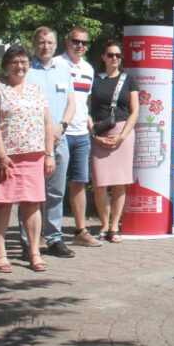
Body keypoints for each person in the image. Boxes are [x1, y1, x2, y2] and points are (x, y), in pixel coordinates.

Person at [0, 45, 54, 273]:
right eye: (15, 62)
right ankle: (0, 254)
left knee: (33, 205)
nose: (20, 66)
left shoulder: (36, 90)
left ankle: (34, 253)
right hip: (8, 158)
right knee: (3, 204)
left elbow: (47, 123)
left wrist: (49, 154)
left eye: (23, 62)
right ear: (6, 66)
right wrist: (1, 155)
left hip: (34, 156)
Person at [25, 27, 77, 259]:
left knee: (56, 192)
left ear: (56, 44)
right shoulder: (25, 69)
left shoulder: (64, 69)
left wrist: (61, 126)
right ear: (34, 44)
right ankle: (28, 242)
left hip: (59, 139)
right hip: (33, 141)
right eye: (41, 42)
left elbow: (72, 102)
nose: (46, 46)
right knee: (31, 194)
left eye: (50, 42)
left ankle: (54, 239)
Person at [88, 40, 140, 243]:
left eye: (118, 55)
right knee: (100, 183)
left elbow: (135, 111)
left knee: (120, 183)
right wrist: (93, 133)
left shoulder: (129, 79)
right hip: (100, 132)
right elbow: (87, 109)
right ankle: (103, 224)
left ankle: (114, 226)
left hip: (122, 132)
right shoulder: (95, 79)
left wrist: (122, 136)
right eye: (110, 55)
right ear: (103, 57)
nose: (115, 59)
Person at [58, 26, 101, 247]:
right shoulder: (56, 64)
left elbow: (85, 102)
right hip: (60, 133)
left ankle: (80, 230)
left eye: (84, 43)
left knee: (79, 183)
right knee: (54, 186)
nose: (80, 46)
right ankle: (50, 233)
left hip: (82, 134)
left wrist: (90, 126)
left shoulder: (88, 68)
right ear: (67, 42)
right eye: (76, 41)